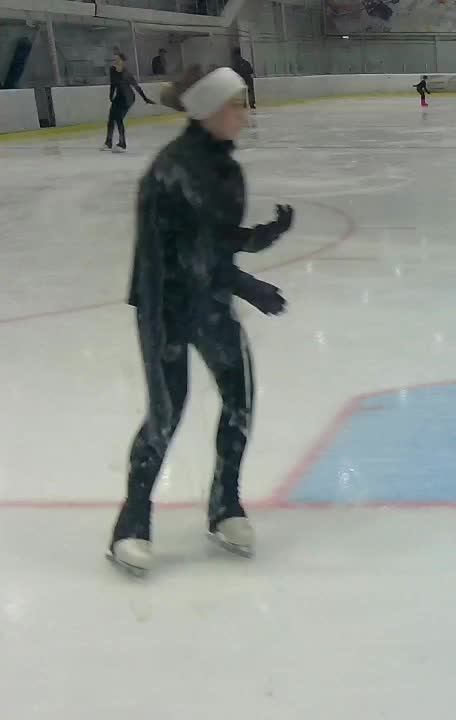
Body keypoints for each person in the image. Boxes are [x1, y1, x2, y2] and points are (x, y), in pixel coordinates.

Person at [107, 65, 296, 576]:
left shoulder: (224, 168)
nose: (246, 114)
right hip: (166, 306)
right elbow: (192, 256)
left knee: (239, 399)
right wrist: (250, 287)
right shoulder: (172, 171)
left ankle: (225, 505)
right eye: (237, 104)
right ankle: (131, 525)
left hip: (209, 302)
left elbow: (216, 238)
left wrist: (261, 236)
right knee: (166, 412)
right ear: (210, 110)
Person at [103, 51, 155, 153]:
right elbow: (113, 84)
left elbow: (136, 87)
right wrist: (111, 95)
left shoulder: (127, 74)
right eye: (115, 59)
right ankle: (108, 142)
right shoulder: (112, 70)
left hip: (128, 98)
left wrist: (145, 98)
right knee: (111, 119)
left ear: (123, 61)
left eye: (118, 59)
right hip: (118, 97)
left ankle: (122, 144)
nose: (115, 61)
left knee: (118, 118)